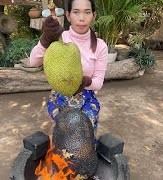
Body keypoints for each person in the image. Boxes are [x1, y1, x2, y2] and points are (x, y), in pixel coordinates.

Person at [30, 0, 107, 142]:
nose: (82, 18)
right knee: (64, 136)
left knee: (84, 134)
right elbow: (33, 62)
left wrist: (85, 82)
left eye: (87, 12)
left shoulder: (100, 46)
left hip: (86, 97)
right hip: (60, 96)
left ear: (94, 15)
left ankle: (85, 159)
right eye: (76, 12)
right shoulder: (59, 39)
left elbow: (99, 82)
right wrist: (45, 39)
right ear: (68, 15)